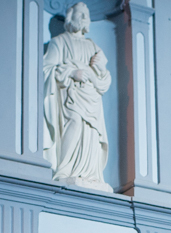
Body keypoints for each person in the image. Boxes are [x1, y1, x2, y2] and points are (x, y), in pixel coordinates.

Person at [43, 2, 112, 192]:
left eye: (87, 15)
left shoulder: (94, 47)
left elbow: (104, 81)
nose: (84, 19)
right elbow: (47, 69)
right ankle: (65, 170)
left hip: (92, 99)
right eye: (80, 14)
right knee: (74, 123)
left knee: (90, 133)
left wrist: (100, 68)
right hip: (70, 97)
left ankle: (91, 175)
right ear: (70, 18)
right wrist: (72, 73)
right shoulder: (60, 42)